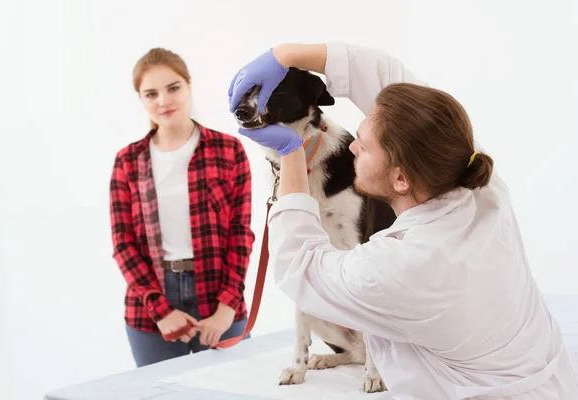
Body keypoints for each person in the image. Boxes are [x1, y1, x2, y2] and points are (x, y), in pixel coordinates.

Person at [228, 43, 578, 399]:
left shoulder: (401, 265)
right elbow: (393, 83)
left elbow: (300, 268)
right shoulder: (478, 184)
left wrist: (290, 153)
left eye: (362, 147)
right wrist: (283, 56)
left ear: (400, 179)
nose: (350, 147)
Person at [110, 47, 254, 367]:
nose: (164, 101)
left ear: (188, 86)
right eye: (151, 93)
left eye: (173, 88)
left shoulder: (229, 150)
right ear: (141, 99)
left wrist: (226, 308)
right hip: (151, 309)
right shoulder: (127, 161)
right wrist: (161, 310)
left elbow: (240, 233)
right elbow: (123, 245)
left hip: (220, 298)